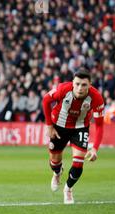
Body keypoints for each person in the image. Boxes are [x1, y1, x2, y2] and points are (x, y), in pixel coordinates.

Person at [42, 68, 104, 204]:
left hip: (80, 128)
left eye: (84, 85)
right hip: (59, 126)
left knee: (78, 162)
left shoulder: (96, 98)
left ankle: (68, 189)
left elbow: (99, 125)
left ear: (90, 84)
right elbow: (46, 101)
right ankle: (57, 173)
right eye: (77, 84)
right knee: (54, 161)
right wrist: (49, 126)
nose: (80, 88)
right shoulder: (63, 90)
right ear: (72, 83)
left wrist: (95, 149)